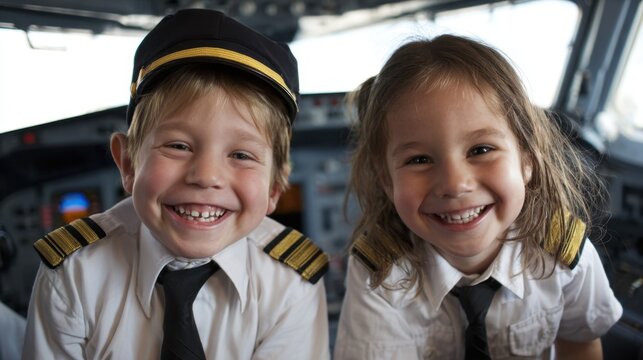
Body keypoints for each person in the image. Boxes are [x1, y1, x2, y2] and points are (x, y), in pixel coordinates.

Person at [23, 9, 330, 359]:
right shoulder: (73, 276)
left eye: (242, 155)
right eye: (178, 146)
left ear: (275, 188)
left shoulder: (289, 285)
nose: (207, 176)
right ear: (128, 164)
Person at [333, 34, 622, 359]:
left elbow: (579, 341)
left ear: (526, 160)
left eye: (480, 150)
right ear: (387, 180)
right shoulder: (380, 275)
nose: (455, 184)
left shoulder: (563, 254)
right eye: (419, 160)